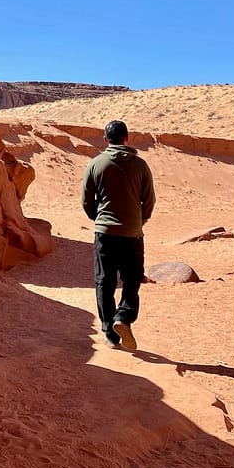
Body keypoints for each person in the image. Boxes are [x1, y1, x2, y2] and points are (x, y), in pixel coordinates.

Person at [80, 120, 155, 350]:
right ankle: (123, 316)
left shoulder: (95, 164)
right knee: (132, 279)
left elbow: (86, 200)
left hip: (105, 233)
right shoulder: (141, 166)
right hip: (132, 233)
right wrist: (138, 221)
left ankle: (109, 332)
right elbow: (149, 200)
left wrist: (99, 219)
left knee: (105, 281)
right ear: (127, 138)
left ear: (105, 139)